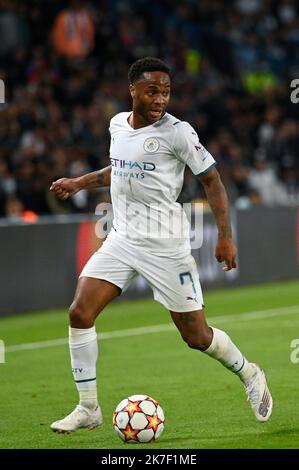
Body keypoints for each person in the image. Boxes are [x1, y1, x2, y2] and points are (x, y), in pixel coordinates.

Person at [50, 57, 273, 433]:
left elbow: (213, 181)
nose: (160, 99)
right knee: (79, 313)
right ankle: (88, 407)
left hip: (166, 245)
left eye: (166, 92)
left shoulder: (178, 133)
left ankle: (250, 373)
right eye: (152, 91)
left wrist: (225, 235)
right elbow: (117, 168)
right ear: (132, 90)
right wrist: (78, 182)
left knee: (196, 336)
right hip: (121, 238)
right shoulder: (117, 124)